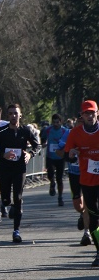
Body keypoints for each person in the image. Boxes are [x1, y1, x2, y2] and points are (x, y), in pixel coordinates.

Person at [0, 103, 39, 243]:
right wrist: (3, 154)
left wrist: (30, 154)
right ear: (8, 115)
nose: (13, 116)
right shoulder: (2, 131)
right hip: (4, 169)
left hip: (19, 168)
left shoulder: (25, 131)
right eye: (10, 113)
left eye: (15, 113)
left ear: (20, 115)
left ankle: (16, 231)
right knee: (6, 199)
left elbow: (37, 145)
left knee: (18, 197)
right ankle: (8, 203)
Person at [63, 99, 99, 268]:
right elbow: (67, 155)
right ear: (82, 116)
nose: (90, 116)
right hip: (88, 181)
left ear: (97, 113)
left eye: (92, 113)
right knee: (93, 218)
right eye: (86, 113)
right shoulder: (75, 133)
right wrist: (71, 154)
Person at [56, 114, 92, 245]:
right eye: (79, 121)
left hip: (89, 173)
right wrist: (69, 153)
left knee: (89, 203)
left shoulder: (92, 132)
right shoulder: (70, 133)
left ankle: (87, 232)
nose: (82, 124)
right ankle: (82, 215)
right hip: (74, 173)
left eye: (84, 121)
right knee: (79, 206)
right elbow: (59, 151)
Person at [43, 114, 67, 205]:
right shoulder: (48, 130)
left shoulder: (64, 131)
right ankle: (52, 182)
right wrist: (44, 143)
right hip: (50, 157)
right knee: (50, 174)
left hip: (60, 157)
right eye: (54, 122)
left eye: (57, 122)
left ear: (61, 122)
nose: (56, 124)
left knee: (59, 178)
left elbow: (68, 141)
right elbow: (43, 138)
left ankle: (60, 197)